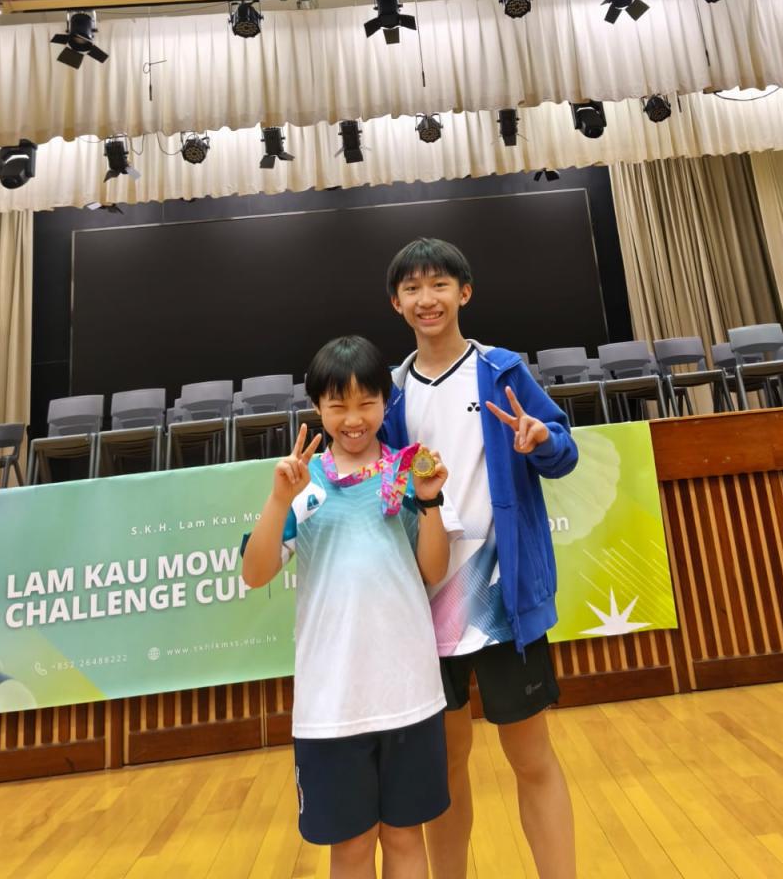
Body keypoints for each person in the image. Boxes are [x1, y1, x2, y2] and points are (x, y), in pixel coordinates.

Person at [381, 238, 579, 879]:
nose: (427, 298)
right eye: (412, 288)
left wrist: (541, 439)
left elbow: (563, 452)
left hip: (503, 602)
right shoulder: (389, 394)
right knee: (444, 766)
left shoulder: (502, 369)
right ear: (396, 303)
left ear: (463, 293)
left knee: (531, 758)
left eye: (439, 284)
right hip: (424, 607)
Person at [242, 335, 458, 879]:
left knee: (406, 839)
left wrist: (429, 500)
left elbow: (434, 570)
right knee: (352, 848)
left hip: (409, 694)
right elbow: (255, 573)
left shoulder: (408, 471)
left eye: (367, 402)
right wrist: (278, 500)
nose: (354, 418)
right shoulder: (302, 483)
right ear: (318, 407)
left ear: (386, 402)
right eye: (338, 405)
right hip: (331, 703)